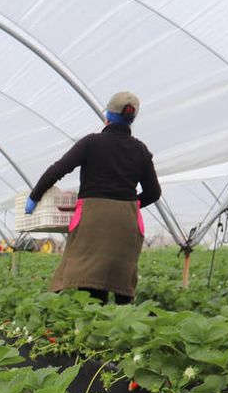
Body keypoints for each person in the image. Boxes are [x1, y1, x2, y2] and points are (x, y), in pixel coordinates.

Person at [24, 91, 161, 303]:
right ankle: (123, 329)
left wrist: (34, 197)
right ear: (131, 120)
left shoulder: (91, 143)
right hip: (126, 222)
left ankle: (94, 325)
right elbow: (154, 192)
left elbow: (58, 169)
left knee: (90, 278)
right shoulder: (140, 150)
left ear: (107, 116)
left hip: (92, 219)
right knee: (121, 277)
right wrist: (129, 206)